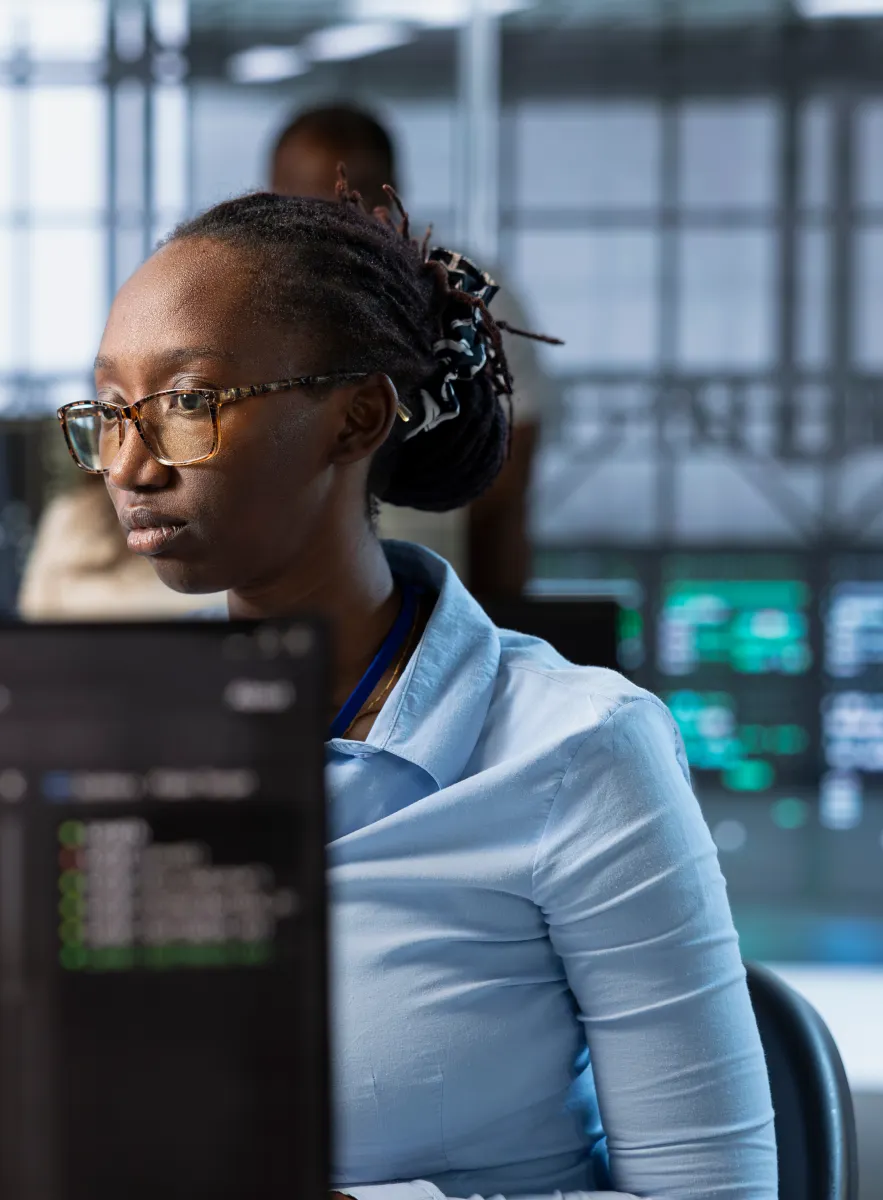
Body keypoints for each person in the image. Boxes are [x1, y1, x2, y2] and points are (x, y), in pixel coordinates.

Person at [56, 180, 776, 1198]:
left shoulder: (578, 753)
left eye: (186, 404)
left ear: (354, 421)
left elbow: (714, 1190)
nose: (127, 463)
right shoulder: (100, 734)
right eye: (108, 408)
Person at [270, 103, 550, 601]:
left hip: (435, 571)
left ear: (389, 191)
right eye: (305, 199)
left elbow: (514, 452)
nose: (329, 220)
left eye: (346, 199)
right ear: (273, 194)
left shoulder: (461, 292)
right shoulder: (244, 299)